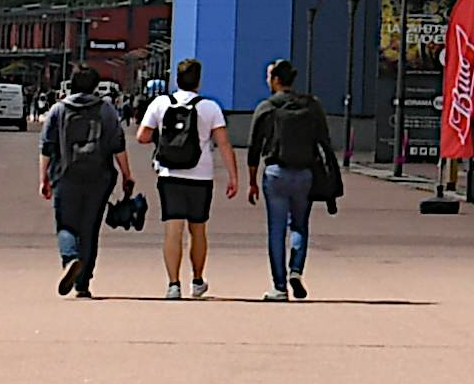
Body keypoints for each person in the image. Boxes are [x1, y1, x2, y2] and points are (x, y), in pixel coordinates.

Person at [243, 62, 337, 301]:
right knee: (299, 225)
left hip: (275, 173)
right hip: (304, 174)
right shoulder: (312, 105)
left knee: (276, 230)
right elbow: (324, 141)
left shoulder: (267, 107)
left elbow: (254, 147)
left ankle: (279, 286)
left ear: (275, 80)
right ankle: (296, 269)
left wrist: (252, 180)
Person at [138, 61, 230, 299]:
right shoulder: (210, 107)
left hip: (170, 175)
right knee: (198, 229)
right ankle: (197, 281)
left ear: (176, 79)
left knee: (173, 230)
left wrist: (164, 141)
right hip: (201, 175)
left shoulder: (160, 103)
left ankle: (173, 284)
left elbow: (142, 136)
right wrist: (234, 176)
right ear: (199, 80)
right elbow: (223, 143)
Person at [40, 70, 127, 297]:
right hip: (99, 177)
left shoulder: (58, 110)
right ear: (95, 87)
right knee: (90, 228)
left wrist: (44, 179)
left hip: (65, 176)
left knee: (66, 224)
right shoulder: (106, 110)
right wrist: (127, 175)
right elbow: (118, 144)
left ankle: (70, 258)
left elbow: (47, 147)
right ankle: (83, 283)